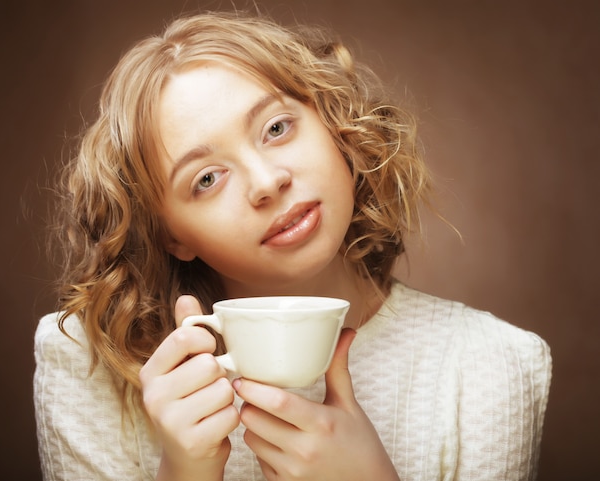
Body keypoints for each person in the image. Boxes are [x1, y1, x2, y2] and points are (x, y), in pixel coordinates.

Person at [34, 10, 552, 481]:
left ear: (335, 126)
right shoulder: (87, 365)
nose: (266, 182)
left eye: (277, 128)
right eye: (207, 179)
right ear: (172, 235)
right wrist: (185, 473)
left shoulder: (491, 365)